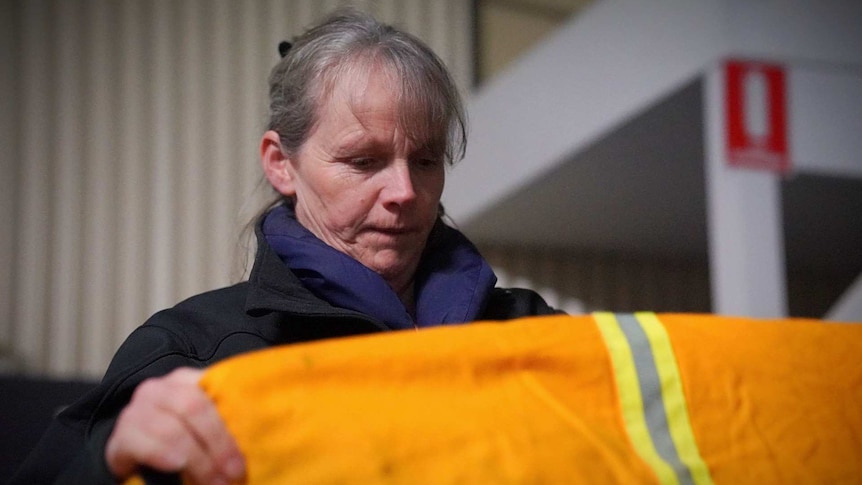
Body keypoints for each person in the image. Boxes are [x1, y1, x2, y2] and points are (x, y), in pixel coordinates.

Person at [11, 9, 558, 485]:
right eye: (363, 161)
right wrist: (107, 465)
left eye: (425, 159)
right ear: (280, 163)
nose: (405, 192)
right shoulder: (188, 353)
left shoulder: (533, 331)